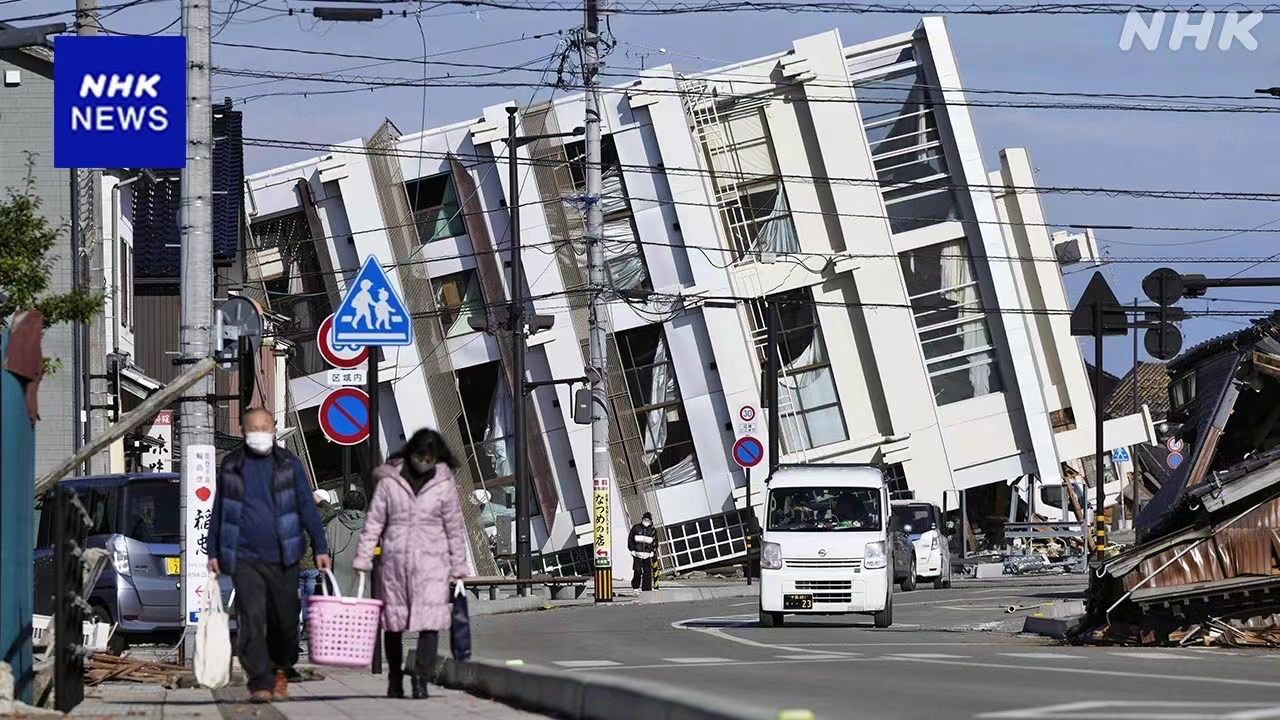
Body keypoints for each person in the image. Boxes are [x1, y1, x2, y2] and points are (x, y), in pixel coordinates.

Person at [208, 408, 331, 704]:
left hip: (285, 555)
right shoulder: (232, 465)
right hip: (244, 556)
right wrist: (213, 550)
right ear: (242, 430)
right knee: (251, 619)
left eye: (265, 427)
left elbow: (306, 506)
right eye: (254, 427)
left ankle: (280, 666)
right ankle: (260, 680)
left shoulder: (289, 464)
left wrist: (321, 546)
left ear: (273, 429)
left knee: (285, 621)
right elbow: (220, 509)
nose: (260, 432)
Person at [354, 429, 470, 700]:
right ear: (411, 453)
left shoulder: (444, 483)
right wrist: (363, 557)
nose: (425, 461)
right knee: (393, 624)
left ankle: (421, 679)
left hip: (433, 563)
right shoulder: (389, 482)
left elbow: (453, 526)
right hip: (395, 563)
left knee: (429, 624)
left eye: (431, 457)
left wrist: (459, 565)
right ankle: (395, 678)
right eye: (421, 455)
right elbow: (374, 522)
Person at [299, 490, 340, 637]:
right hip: (310, 564)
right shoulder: (311, 516)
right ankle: (309, 626)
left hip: (293, 565)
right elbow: (330, 511)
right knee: (309, 597)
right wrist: (319, 500)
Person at [628, 512, 657, 593]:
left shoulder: (652, 530)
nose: (646, 521)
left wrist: (652, 551)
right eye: (645, 519)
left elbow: (655, 542)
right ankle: (635, 587)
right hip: (637, 554)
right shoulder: (636, 528)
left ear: (650, 521)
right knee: (637, 571)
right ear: (642, 519)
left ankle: (646, 589)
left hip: (647, 555)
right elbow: (630, 539)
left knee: (647, 572)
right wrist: (632, 550)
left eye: (648, 520)